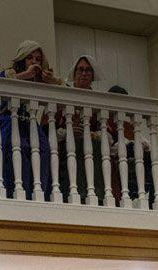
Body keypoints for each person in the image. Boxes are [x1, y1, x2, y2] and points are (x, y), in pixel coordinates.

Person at [0, 41, 64, 201]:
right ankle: (13, 192)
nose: (34, 62)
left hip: (30, 125)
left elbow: (66, 92)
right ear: (22, 60)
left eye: (37, 59)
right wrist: (26, 75)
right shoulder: (11, 73)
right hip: (8, 121)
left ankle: (38, 193)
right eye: (30, 58)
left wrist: (51, 81)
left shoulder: (39, 82)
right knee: (16, 149)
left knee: (43, 149)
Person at [57, 55, 108, 204]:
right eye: (80, 70)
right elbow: (49, 129)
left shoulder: (99, 101)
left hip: (93, 145)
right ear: (74, 74)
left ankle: (97, 194)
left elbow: (109, 134)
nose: (84, 74)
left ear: (92, 76)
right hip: (66, 145)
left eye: (88, 70)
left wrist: (93, 135)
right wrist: (69, 132)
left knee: (96, 147)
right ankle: (74, 192)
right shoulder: (63, 99)